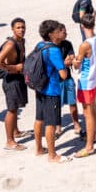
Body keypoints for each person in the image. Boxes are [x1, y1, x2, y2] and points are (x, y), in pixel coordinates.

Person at [32, 20, 70, 163]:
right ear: (51, 34)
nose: (61, 32)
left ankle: (38, 148)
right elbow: (63, 75)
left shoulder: (40, 45)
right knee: (51, 123)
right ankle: (52, 155)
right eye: (58, 30)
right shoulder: (54, 50)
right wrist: (65, 64)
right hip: (51, 90)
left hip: (39, 87)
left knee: (39, 119)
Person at [0, 18, 31, 151]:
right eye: (18, 28)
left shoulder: (22, 41)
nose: (21, 30)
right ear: (13, 29)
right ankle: (10, 141)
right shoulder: (10, 44)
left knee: (16, 107)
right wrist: (14, 68)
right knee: (12, 109)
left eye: (23, 27)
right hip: (11, 80)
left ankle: (16, 132)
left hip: (18, 78)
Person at [72, 13, 96, 158]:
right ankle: (93, 135)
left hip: (85, 81)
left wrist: (72, 60)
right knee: (93, 108)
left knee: (87, 113)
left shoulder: (84, 44)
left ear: (82, 26)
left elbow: (77, 65)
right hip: (94, 79)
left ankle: (89, 146)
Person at [57, 25, 82, 137]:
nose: (66, 33)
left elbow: (72, 58)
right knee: (56, 105)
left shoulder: (67, 44)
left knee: (72, 103)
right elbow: (64, 62)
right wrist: (64, 62)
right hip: (55, 81)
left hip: (67, 78)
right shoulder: (52, 47)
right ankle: (58, 126)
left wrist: (62, 62)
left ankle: (76, 124)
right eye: (64, 32)